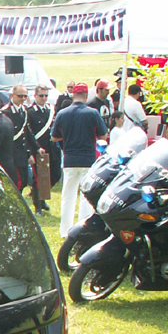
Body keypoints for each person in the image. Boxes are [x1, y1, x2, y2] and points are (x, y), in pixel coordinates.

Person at [52, 82, 109, 237]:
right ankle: (83, 227)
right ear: (85, 95)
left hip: (69, 158)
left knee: (68, 196)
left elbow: (54, 136)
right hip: (88, 158)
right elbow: (103, 135)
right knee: (85, 196)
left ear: (73, 95)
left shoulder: (63, 113)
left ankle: (65, 230)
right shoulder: (93, 113)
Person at [26, 84, 56, 216]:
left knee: (54, 175)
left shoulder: (49, 110)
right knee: (39, 178)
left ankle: (43, 198)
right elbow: (28, 133)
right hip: (37, 148)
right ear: (35, 96)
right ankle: (38, 205)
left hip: (50, 147)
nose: (44, 98)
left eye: (46, 96)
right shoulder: (30, 111)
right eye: (41, 96)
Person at [3, 84, 34, 192]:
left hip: (22, 152)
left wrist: (35, 149)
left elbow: (26, 133)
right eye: (20, 96)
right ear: (13, 95)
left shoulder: (24, 110)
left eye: (25, 96)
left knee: (24, 180)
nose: (23, 99)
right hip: (12, 152)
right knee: (18, 182)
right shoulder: (6, 112)